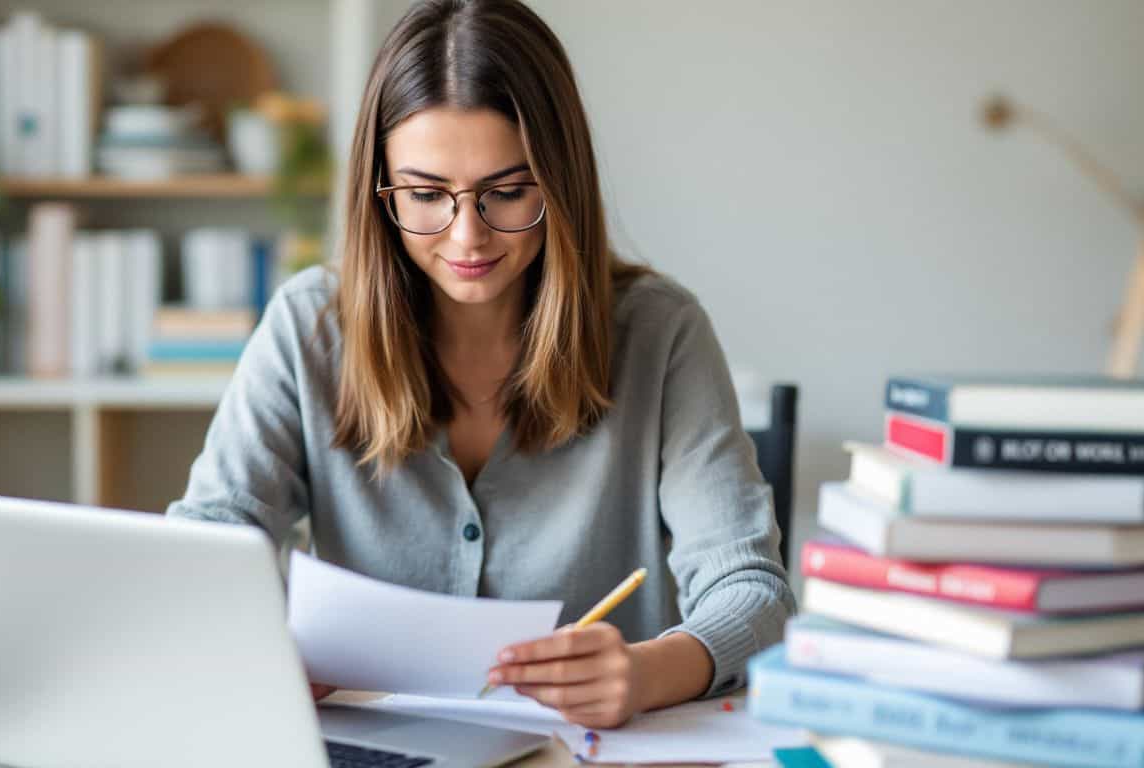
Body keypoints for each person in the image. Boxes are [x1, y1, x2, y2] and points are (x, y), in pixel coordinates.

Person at [167, 0, 794, 729]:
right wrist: (259, 649)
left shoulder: (660, 333)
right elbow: (209, 542)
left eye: (507, 191)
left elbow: (753, 591)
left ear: (559, 180)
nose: (468, 235)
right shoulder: (310, 327)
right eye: (426, 195)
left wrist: (650, 670)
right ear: (380, 192)